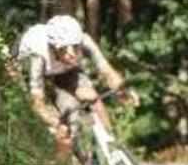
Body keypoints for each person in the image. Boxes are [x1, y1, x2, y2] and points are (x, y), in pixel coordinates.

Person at [16, 15, 130, 155]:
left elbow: (107, 71)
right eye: (64, 49)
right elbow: (38, 103)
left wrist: (121, 89)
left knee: (93, 97)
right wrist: (55, 122)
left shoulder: (83, 40)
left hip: (64, 70)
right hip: (37, 76)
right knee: (64, 129)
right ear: (52, 47)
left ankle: (114, 147)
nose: (71, 54)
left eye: (75, 47)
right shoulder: (38, 55)